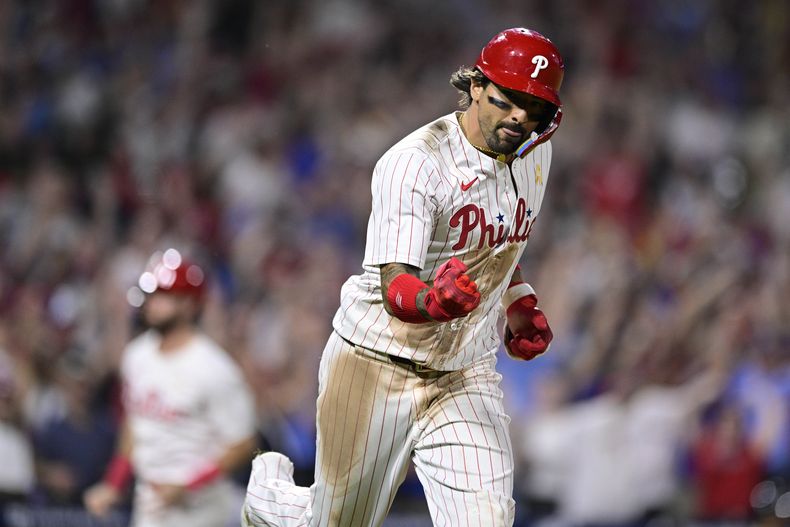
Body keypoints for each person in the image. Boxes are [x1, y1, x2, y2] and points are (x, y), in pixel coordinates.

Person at [242, 27, 564, 527]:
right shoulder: (416, 163)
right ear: (476, 86)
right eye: (508, 99)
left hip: (464, 372)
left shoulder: (534, 152)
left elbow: (496, 244)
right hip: (377, 360)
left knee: (487, 520)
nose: (521, 116)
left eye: (536, 107)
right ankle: (268, 498)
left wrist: (518, 303)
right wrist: (433, 301)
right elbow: (396, 283)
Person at [83, 248, 257, 527]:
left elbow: (242, 442)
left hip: (201, 509)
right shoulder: (136, 355)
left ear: (189, 305)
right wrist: (114, 484)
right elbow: (135, 424)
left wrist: (189, 484)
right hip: (149, 500)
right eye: (151, 296)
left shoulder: (216, 369)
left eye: (162, 296)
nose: (151, 304)